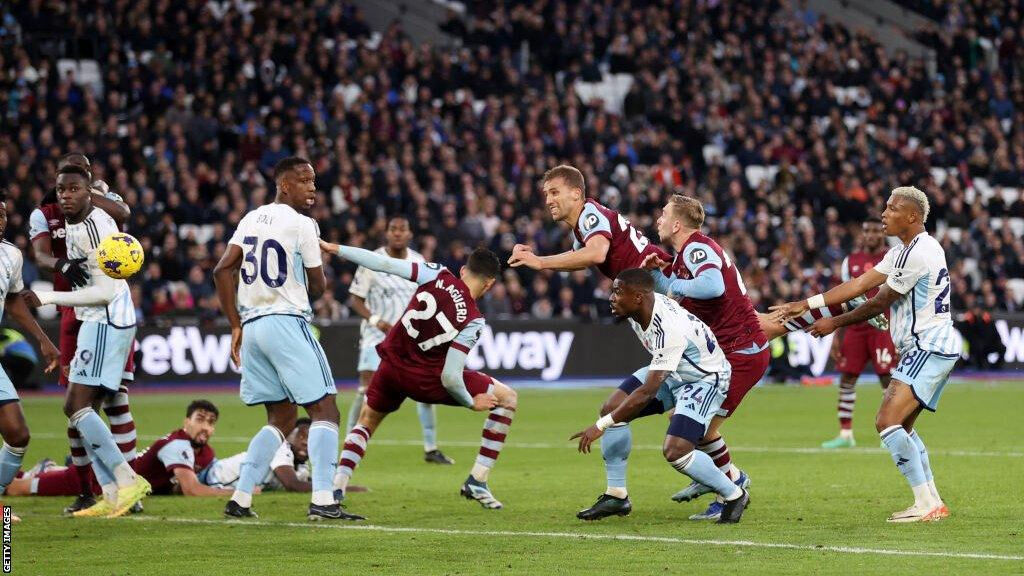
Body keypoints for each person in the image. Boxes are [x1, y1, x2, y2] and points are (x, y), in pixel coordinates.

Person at [772, 186, 956, 523]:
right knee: (904, 426)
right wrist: (809, 303)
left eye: (892, 208)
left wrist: (834, 323)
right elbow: (858, 285)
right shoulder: (910, 249)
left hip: (927, 344)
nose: (884, 214)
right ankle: (932, 502)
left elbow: (877, 302)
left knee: (886, 421)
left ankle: (925, 503)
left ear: (912, 216)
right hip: (933, 345)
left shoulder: (916, 253)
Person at [213, 156, 361, 521]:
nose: (312, 188)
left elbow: (221, 270)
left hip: (252, 327)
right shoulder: (303, 225)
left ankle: (241, 498)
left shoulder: (250, 218)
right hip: (285, 321)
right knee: (326, 409)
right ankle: (324, 500)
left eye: (314, 181)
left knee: (280, 417)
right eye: (304, 180)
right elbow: (319, 284)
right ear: (283, 185)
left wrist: (235, 324)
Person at [320, 240, 516, 510]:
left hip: (391, 367)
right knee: (507, 399)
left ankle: (336, 489)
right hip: (426, 380)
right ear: (490, 283)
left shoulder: (437, 273)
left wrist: (336, 249)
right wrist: (471, 403)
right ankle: (477, 480)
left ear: (462, 270)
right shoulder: (473, 319)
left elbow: (382, 263)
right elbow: (450, 377)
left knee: (366, 421)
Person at [570, 269, 748, 524]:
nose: (612, 297)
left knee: (676, 451)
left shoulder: (668, 328)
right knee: (613, 407)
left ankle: (733, 494)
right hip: (674, 370)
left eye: (618, 292)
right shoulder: (637, 308)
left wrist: (600, 426)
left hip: (704, 378)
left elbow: (647, 391)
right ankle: (616, 495)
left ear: (639, 297)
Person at [22, 165, 150, 518]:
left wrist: (48, 299)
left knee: (77, 406)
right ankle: (110, 492)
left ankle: (127, 481)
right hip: (97, 321)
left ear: (88, 191)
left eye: (74, 189)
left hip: (106, 321)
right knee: (83, 409)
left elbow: (105, 293)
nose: (66, 196)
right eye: (61, 190)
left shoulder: (99, 227)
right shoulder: (77, 224)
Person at [639, 195, 764, 519]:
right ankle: (714, 477)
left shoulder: (696, 248)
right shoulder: (685, 257)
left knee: (699, 430)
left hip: (739, 352)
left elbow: (712, 286)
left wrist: (669, 282)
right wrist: (659, 278)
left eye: (663, 214)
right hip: (729, 351)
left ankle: (729, 484)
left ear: (677, 224)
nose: (659, 220)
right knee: (685, 420)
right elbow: (684, 294)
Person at [347, 215, 454, 465]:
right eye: (392, 229)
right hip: (376, 336)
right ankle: (350, 440)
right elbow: (355, 299)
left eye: (401, 229)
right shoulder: (372, 261)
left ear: (409, 234)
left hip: (411, 339)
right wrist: (376, 321)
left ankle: (431, 448)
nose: (397, 233)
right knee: (366, 388)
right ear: (386, 233)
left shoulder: (418, 262)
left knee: (427, 389)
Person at [7, 400, 231, 498]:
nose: (205, 427)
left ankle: (47, 468)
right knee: (15, 488)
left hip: (115, 482)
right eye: (200, 419)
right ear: (186, 422)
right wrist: (239, 493)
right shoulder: (177, 444)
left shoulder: (205, 451)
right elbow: (192, 490)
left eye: (210, 422)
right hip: (94, 479)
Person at [0, 193, 60, 522]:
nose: (1, 222)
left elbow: (13, 302)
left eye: (4, 216)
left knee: (18, 433)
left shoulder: (10, 255)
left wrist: (43, 340)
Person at [507, 164, 669, 280]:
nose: (548, 201)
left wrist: (541, 262)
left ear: (576, 193)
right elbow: (577, 259)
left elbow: (596, 254)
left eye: (555, 193)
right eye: (547, 194)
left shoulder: (589, 215)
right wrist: (535, 258)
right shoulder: (585, 220)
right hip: (651, 282)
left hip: (664, 277)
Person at [821, 217, 896, 449]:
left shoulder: (892, 258)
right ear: (862, 234)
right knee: (847, 377)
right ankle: (845, 434)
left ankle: (892, 432)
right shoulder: (850, 261)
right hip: (854, 326)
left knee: (887, 377)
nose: (871, 235)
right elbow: (843, 298)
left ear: (883, 233)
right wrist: (836, 333)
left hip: (883, 327)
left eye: (876, 230)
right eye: (867, 230)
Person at [202, 417, 314, 493]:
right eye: (301, 436)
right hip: (213, 476)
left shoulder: (301, 465)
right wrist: (327, 489)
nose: (305, 442)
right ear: (289, 436)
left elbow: (305, 483)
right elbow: (293, 485)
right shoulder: (280, 447)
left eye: (311, 440)